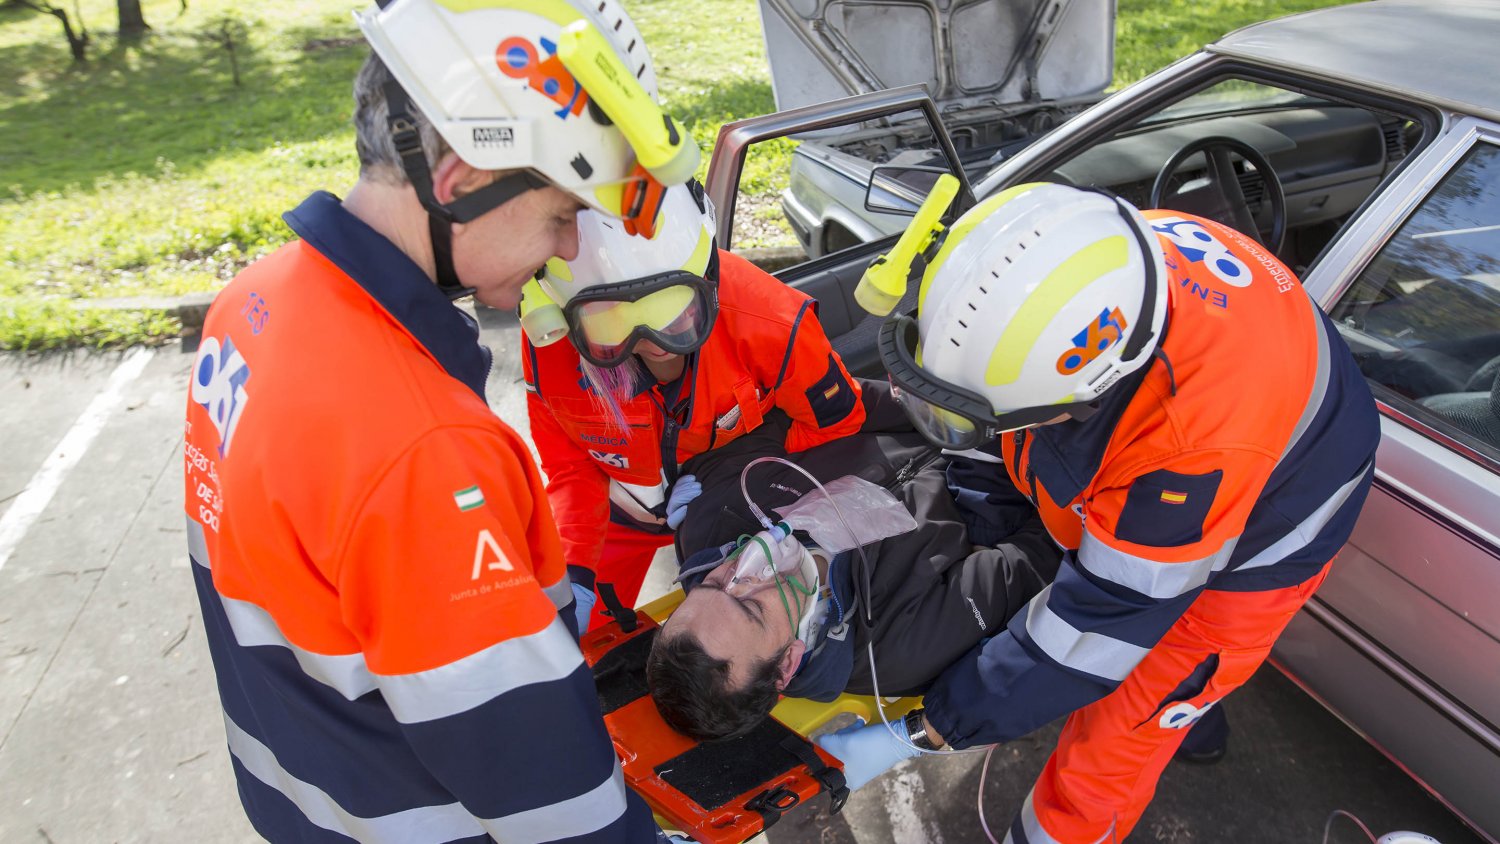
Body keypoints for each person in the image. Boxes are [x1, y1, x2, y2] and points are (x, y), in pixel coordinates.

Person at [182, 1, 699, 840]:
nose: (569, 251)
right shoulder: (425, 449)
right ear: (462, 178)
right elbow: (548, 790)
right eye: (562, 213)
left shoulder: (253, 302)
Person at [816, 182, 1380, 844]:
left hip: (1270, 525)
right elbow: (1011, 432)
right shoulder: (1084, 271)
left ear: (1083, 395)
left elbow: (1097, 625)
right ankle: (1197, 713)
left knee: (1124, 730)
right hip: (1223, 429)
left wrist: (926, 728)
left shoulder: (1186, 450)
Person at [522, 182, 866, 631]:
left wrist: (729, 479)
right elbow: (571, 470)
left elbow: (837, 426)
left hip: (730, 499)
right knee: (578, 633)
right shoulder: (551, 347)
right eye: (614, 322)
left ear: (706, 277)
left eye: (674, 309)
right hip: (620, 514)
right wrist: (573, 569)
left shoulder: (771, 323)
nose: (654, 340)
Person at [646, 448, 1061, 742]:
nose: (744, 568)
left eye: (714, 584)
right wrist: (979, 438)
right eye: (752, 606)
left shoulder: (708, 522)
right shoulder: (900, 648)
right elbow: (1035, 555)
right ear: (788, 660)